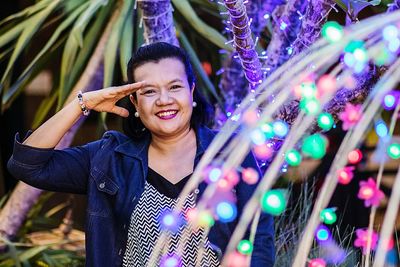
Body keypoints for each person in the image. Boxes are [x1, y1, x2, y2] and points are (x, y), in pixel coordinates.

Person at [7, 42, 275, 266]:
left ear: (191, 91)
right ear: (134, 101)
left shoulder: (231, 153)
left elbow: (258, 239)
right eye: (149, 91)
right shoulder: (110, 158)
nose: (164, 100)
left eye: (175, 87)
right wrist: (83, 103)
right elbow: (27, 163)